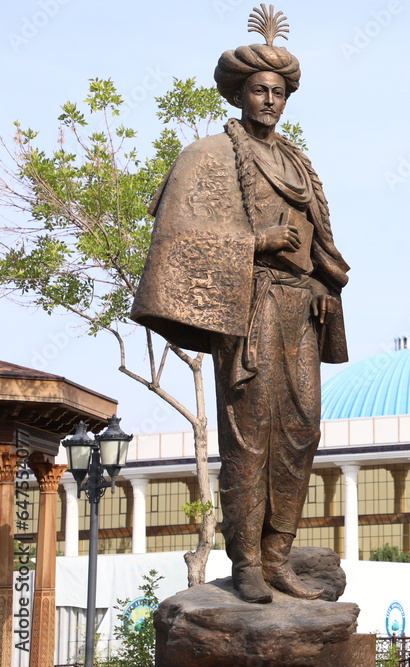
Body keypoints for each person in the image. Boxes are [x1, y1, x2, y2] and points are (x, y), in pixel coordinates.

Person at [131, 8, 349, 603]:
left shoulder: (299, 164)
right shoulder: (209, 157)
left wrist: (323, 290)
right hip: (246, 305)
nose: (269, 100)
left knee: (301, 431)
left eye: (278, 92)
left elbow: (319, 250)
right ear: (239, 93)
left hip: (298, 311)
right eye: (259, 90)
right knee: (248, 434)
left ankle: (279, 557)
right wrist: (256, 242)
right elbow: (178, 240)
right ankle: (246, 559)